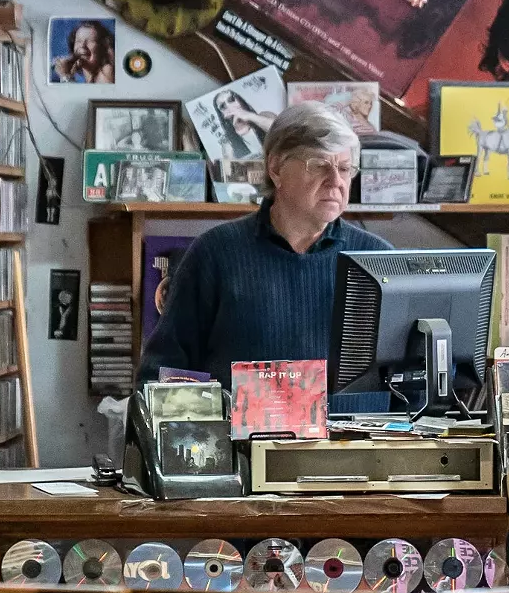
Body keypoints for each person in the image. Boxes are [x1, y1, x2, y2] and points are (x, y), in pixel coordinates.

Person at [139, 102, 391, 412]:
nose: (336, 181)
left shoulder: (378, 260)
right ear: (276, 169)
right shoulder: (216, 253)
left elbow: (413, 383)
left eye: (343, 168)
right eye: (320, 165)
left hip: (358, 454)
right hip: (243, 454)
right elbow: (163, 374)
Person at [212, 88, 272, 159]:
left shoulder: (265, 115)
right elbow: (229, 167)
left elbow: (283, 131)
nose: (229, 106)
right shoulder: (228, 143)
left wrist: (249, 116)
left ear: (240, 100)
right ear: (222, 115)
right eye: (222, 106)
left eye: (231, 99)